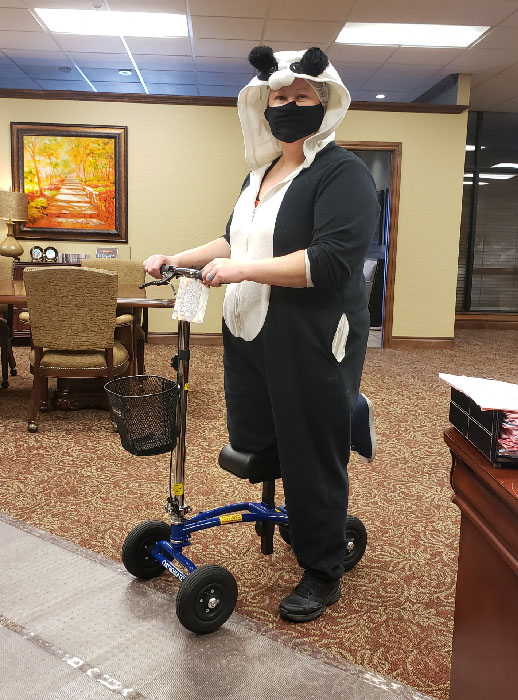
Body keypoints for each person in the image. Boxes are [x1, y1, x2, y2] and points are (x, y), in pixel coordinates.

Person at [144, 46, 379, 623]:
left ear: (325, 104)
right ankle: (294, 519)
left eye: (302, 96)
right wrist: (179, 256)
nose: (288, 105)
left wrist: (242, 270)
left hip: (310, 337)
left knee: (311, 451)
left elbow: (330, 262)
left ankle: (324, 570)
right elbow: (233, 244)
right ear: (263, 102)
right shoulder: (261, 174)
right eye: (279, 96)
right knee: (261, 438)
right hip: (250, 331)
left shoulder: (341, 173)